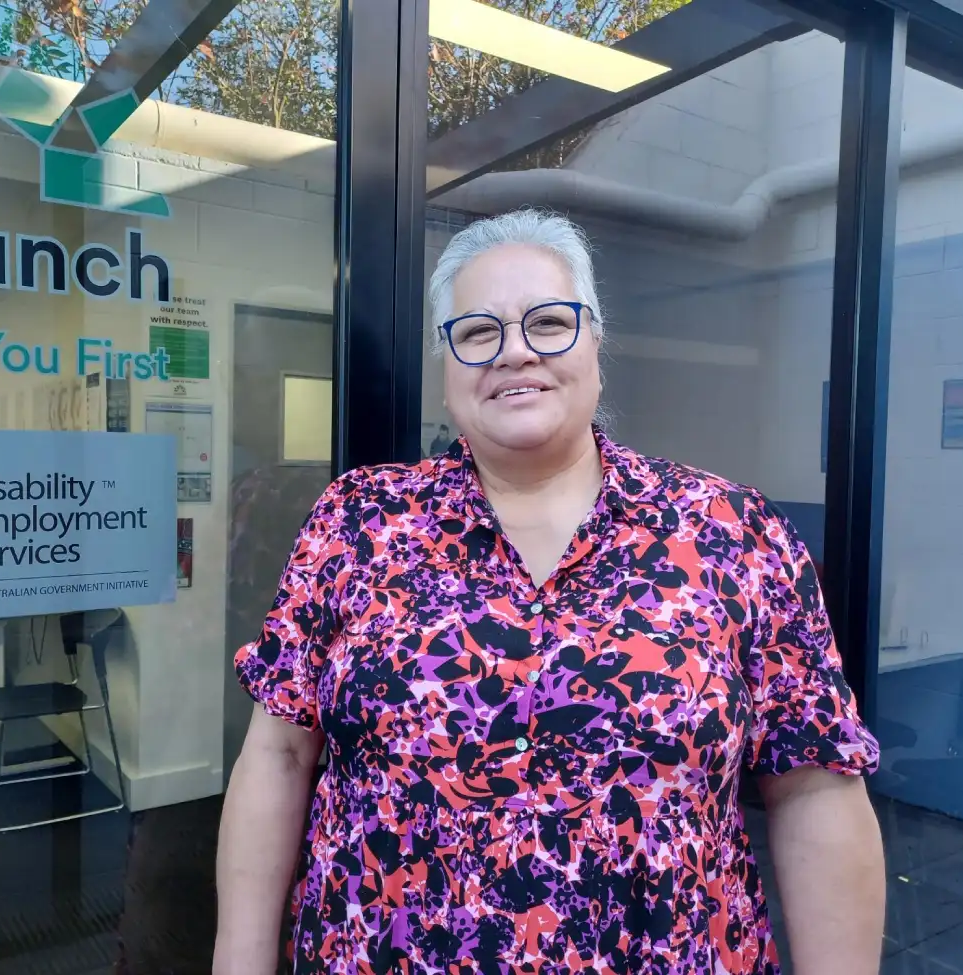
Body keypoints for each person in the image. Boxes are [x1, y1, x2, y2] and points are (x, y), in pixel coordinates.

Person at [214, 208, 885, 974]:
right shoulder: (358, 521)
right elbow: (278, 756)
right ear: (447, 370)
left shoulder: (733, 532)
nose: (515, 352)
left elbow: (816, 791)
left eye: (549, 321)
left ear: (597, 345)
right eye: (477, 332)